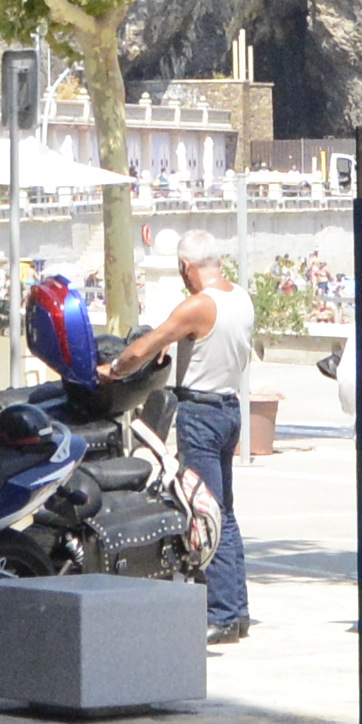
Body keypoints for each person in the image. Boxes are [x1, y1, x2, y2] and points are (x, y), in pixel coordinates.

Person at [108, 248, 261, 648]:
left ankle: (222, 615)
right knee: (225, 512)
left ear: (185, 266)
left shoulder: (197, 305)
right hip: (229, 407)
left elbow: (147, 345)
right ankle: (238, 611)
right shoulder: (240, 299)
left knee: (205, 513)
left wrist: (112, 370)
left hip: (200, 413)